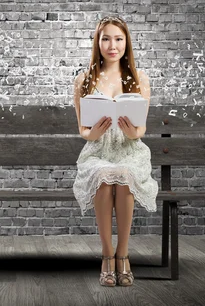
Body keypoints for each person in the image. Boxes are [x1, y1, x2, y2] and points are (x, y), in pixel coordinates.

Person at [72, 15, 159, 287]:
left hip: (128, 149)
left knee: (122, 174)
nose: (113, 45)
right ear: (97, 43)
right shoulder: (85, 79)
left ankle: (123, 254)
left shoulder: (138, 78)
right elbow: (83, 131)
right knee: (105, 174)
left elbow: (140, 130)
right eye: (106, 38)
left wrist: (133, 132)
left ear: (126, 42)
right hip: (98, 151)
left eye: (118, 39)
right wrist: (93, 133)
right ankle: (107, 256)